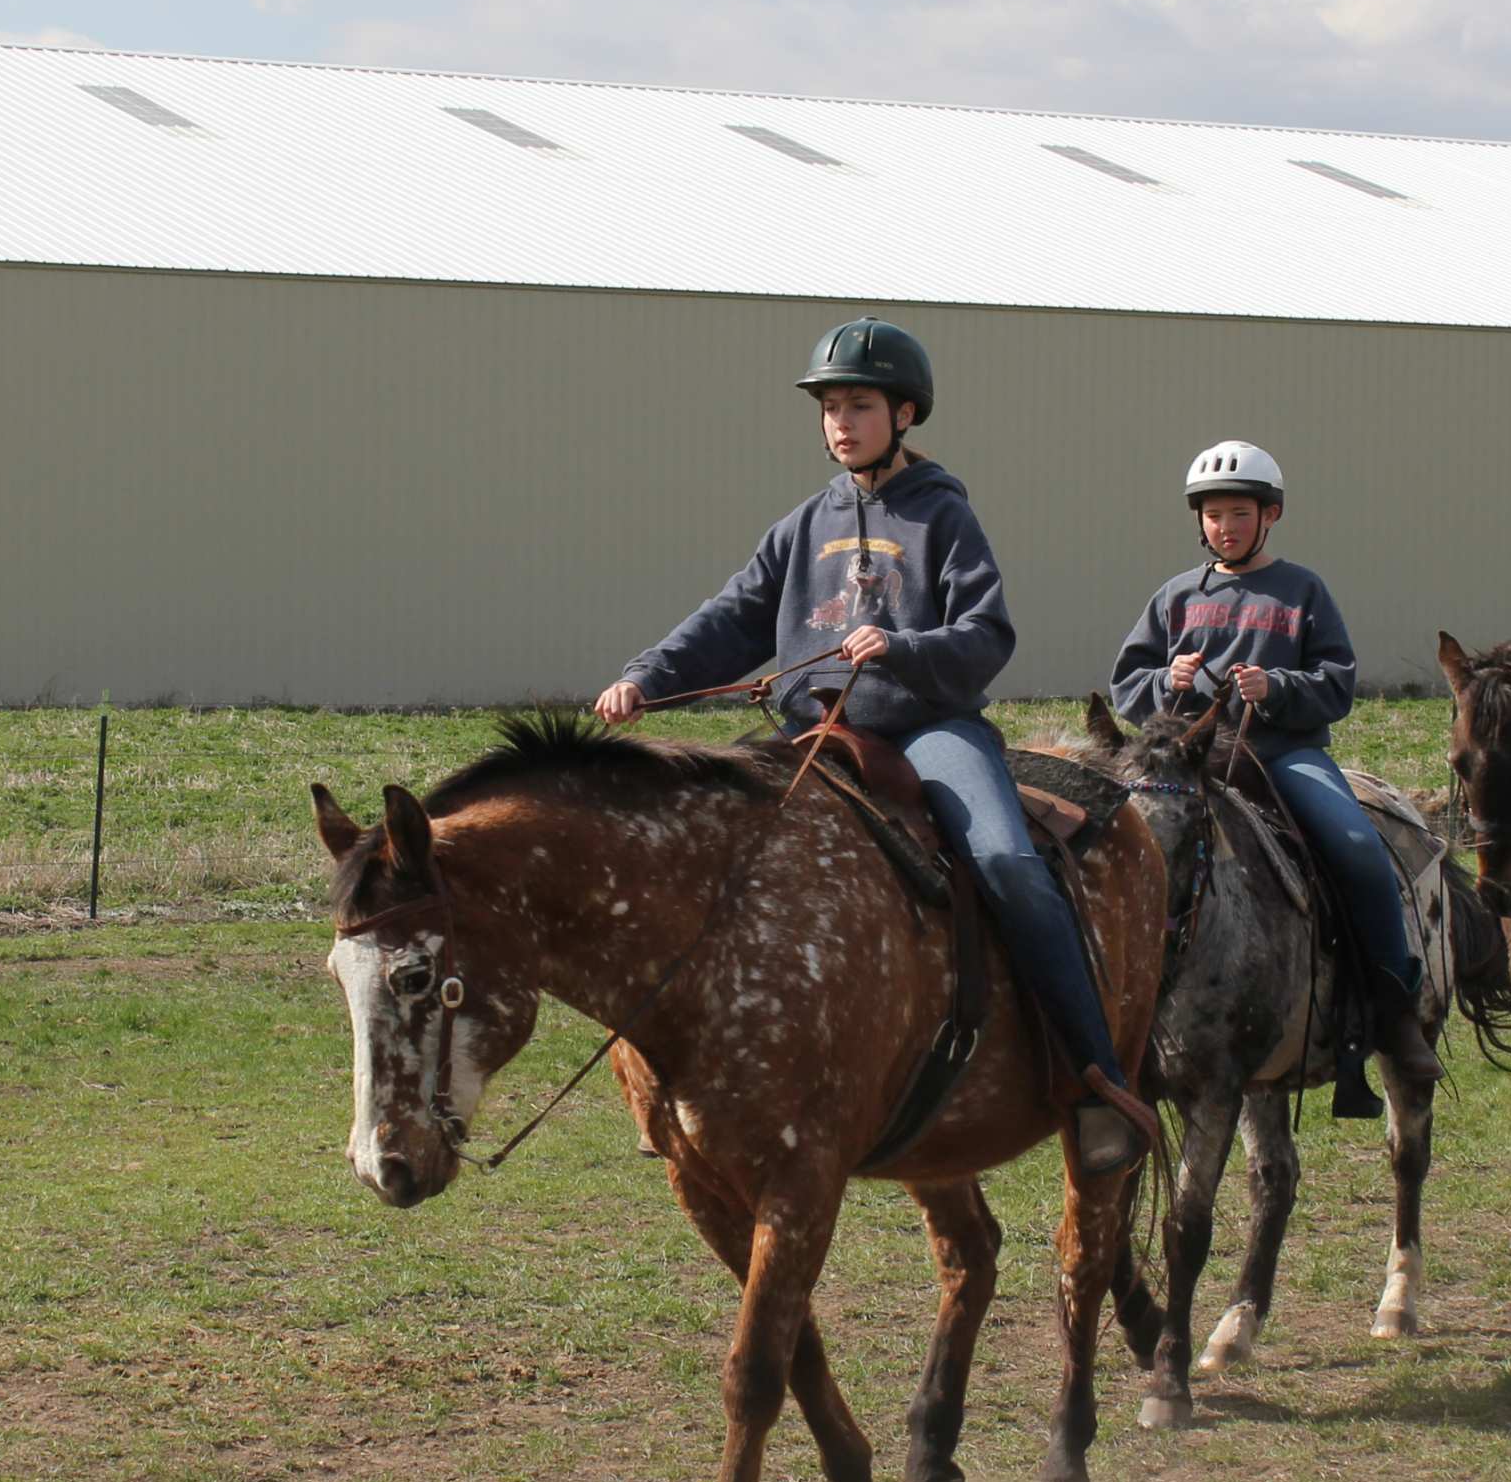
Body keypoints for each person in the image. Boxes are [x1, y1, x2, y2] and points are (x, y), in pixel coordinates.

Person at [594, 317, 1155, 1173]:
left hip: (930, 729)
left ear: (904, 412)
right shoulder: (803, 524)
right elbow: (731, 617)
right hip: (811, 735)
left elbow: (987, 634)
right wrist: (647, 676)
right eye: (829, 407)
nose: (840, 422)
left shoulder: (944, 516)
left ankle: (1093, 1079)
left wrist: (905, 647)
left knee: (1007, 862)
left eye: (859, 404)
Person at [1106, 440, 1438, 1117]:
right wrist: (1162, 682)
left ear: (1270, 514)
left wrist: (1279, 685)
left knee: (1357, 849)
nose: (1223, 527)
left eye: (1238, 513)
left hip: (1282, 754)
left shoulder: (1303, 590)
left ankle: (1393, 1016)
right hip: (1191, 763)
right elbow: (1125, 685)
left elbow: (1338, 682)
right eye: (1213, 515)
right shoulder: (1174, 597)